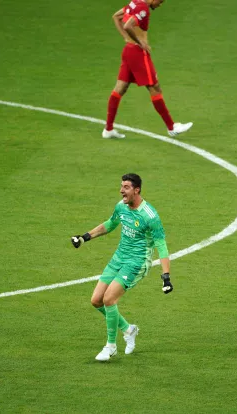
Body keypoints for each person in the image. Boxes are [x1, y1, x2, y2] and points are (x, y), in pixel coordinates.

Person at [71, 173, 174, 361]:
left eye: (126, 187)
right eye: (121, 186)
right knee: (96, 300)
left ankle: (110, 346)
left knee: (109, 299)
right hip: (118, 258)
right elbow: (110, 224)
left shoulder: (150, 216)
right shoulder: (121, 207)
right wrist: (85, 237)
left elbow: (161, 245)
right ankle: (129, 329)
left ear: (137, 190)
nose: (121, 190)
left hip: (136, 263)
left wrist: (166, 276)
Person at [102, 0, 192, 139]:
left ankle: (108, 129)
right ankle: (171, 127)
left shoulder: (135, 2)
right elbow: (127, 25)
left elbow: (116, 17)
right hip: (138, 53)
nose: (160, 4)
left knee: (120, 88)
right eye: (160, 1)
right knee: (155, 87)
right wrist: (140, 42)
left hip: (128, 50)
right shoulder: (143, 8)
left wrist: (126, 38)